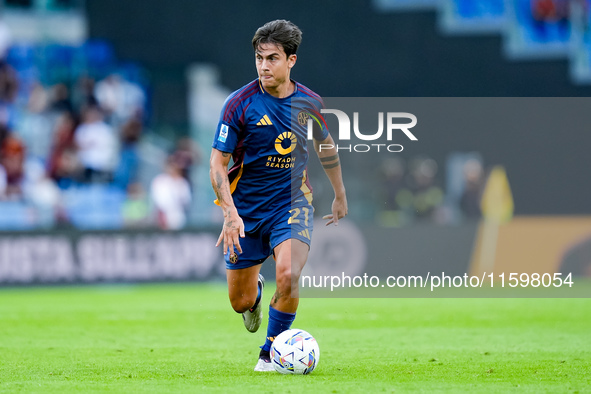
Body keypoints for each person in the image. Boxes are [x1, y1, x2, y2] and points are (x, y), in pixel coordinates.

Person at [209, 19, 348, 372]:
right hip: (245, 211)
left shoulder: (310, 103)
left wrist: (339, 193)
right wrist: (229, 213)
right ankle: (254, 294)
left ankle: (270, 351)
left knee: (288, 275)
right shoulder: (239, 103)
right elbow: (216, 164)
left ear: (291, 61)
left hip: (292, 203)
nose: (264, 66)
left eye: (272, 58)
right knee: (239, 302)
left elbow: (325, 146)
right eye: (259, 58)